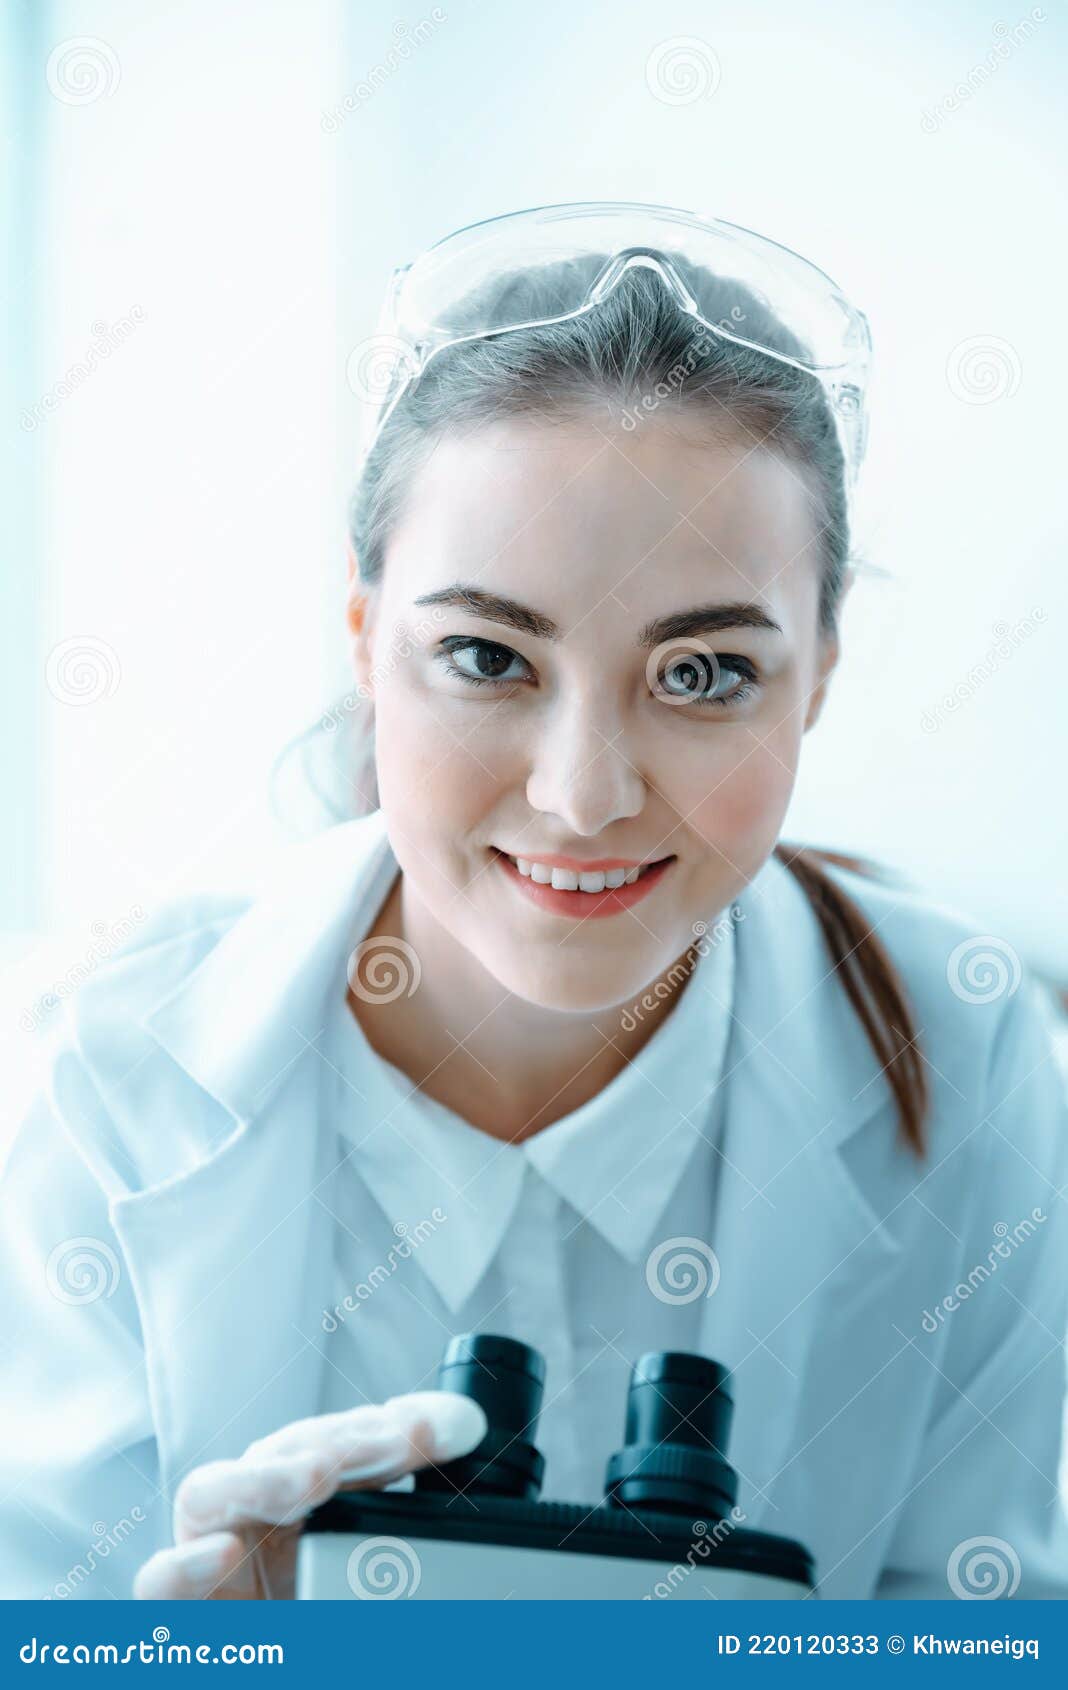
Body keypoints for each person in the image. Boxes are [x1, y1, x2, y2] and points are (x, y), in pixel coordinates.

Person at [2, 204, 1067, 1603]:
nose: (583, 795)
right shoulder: (111, 1070)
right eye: (487, 656)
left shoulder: (969, 1052)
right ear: (366, 637)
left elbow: (985, 1624)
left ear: (820, 667)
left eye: (702, 674)